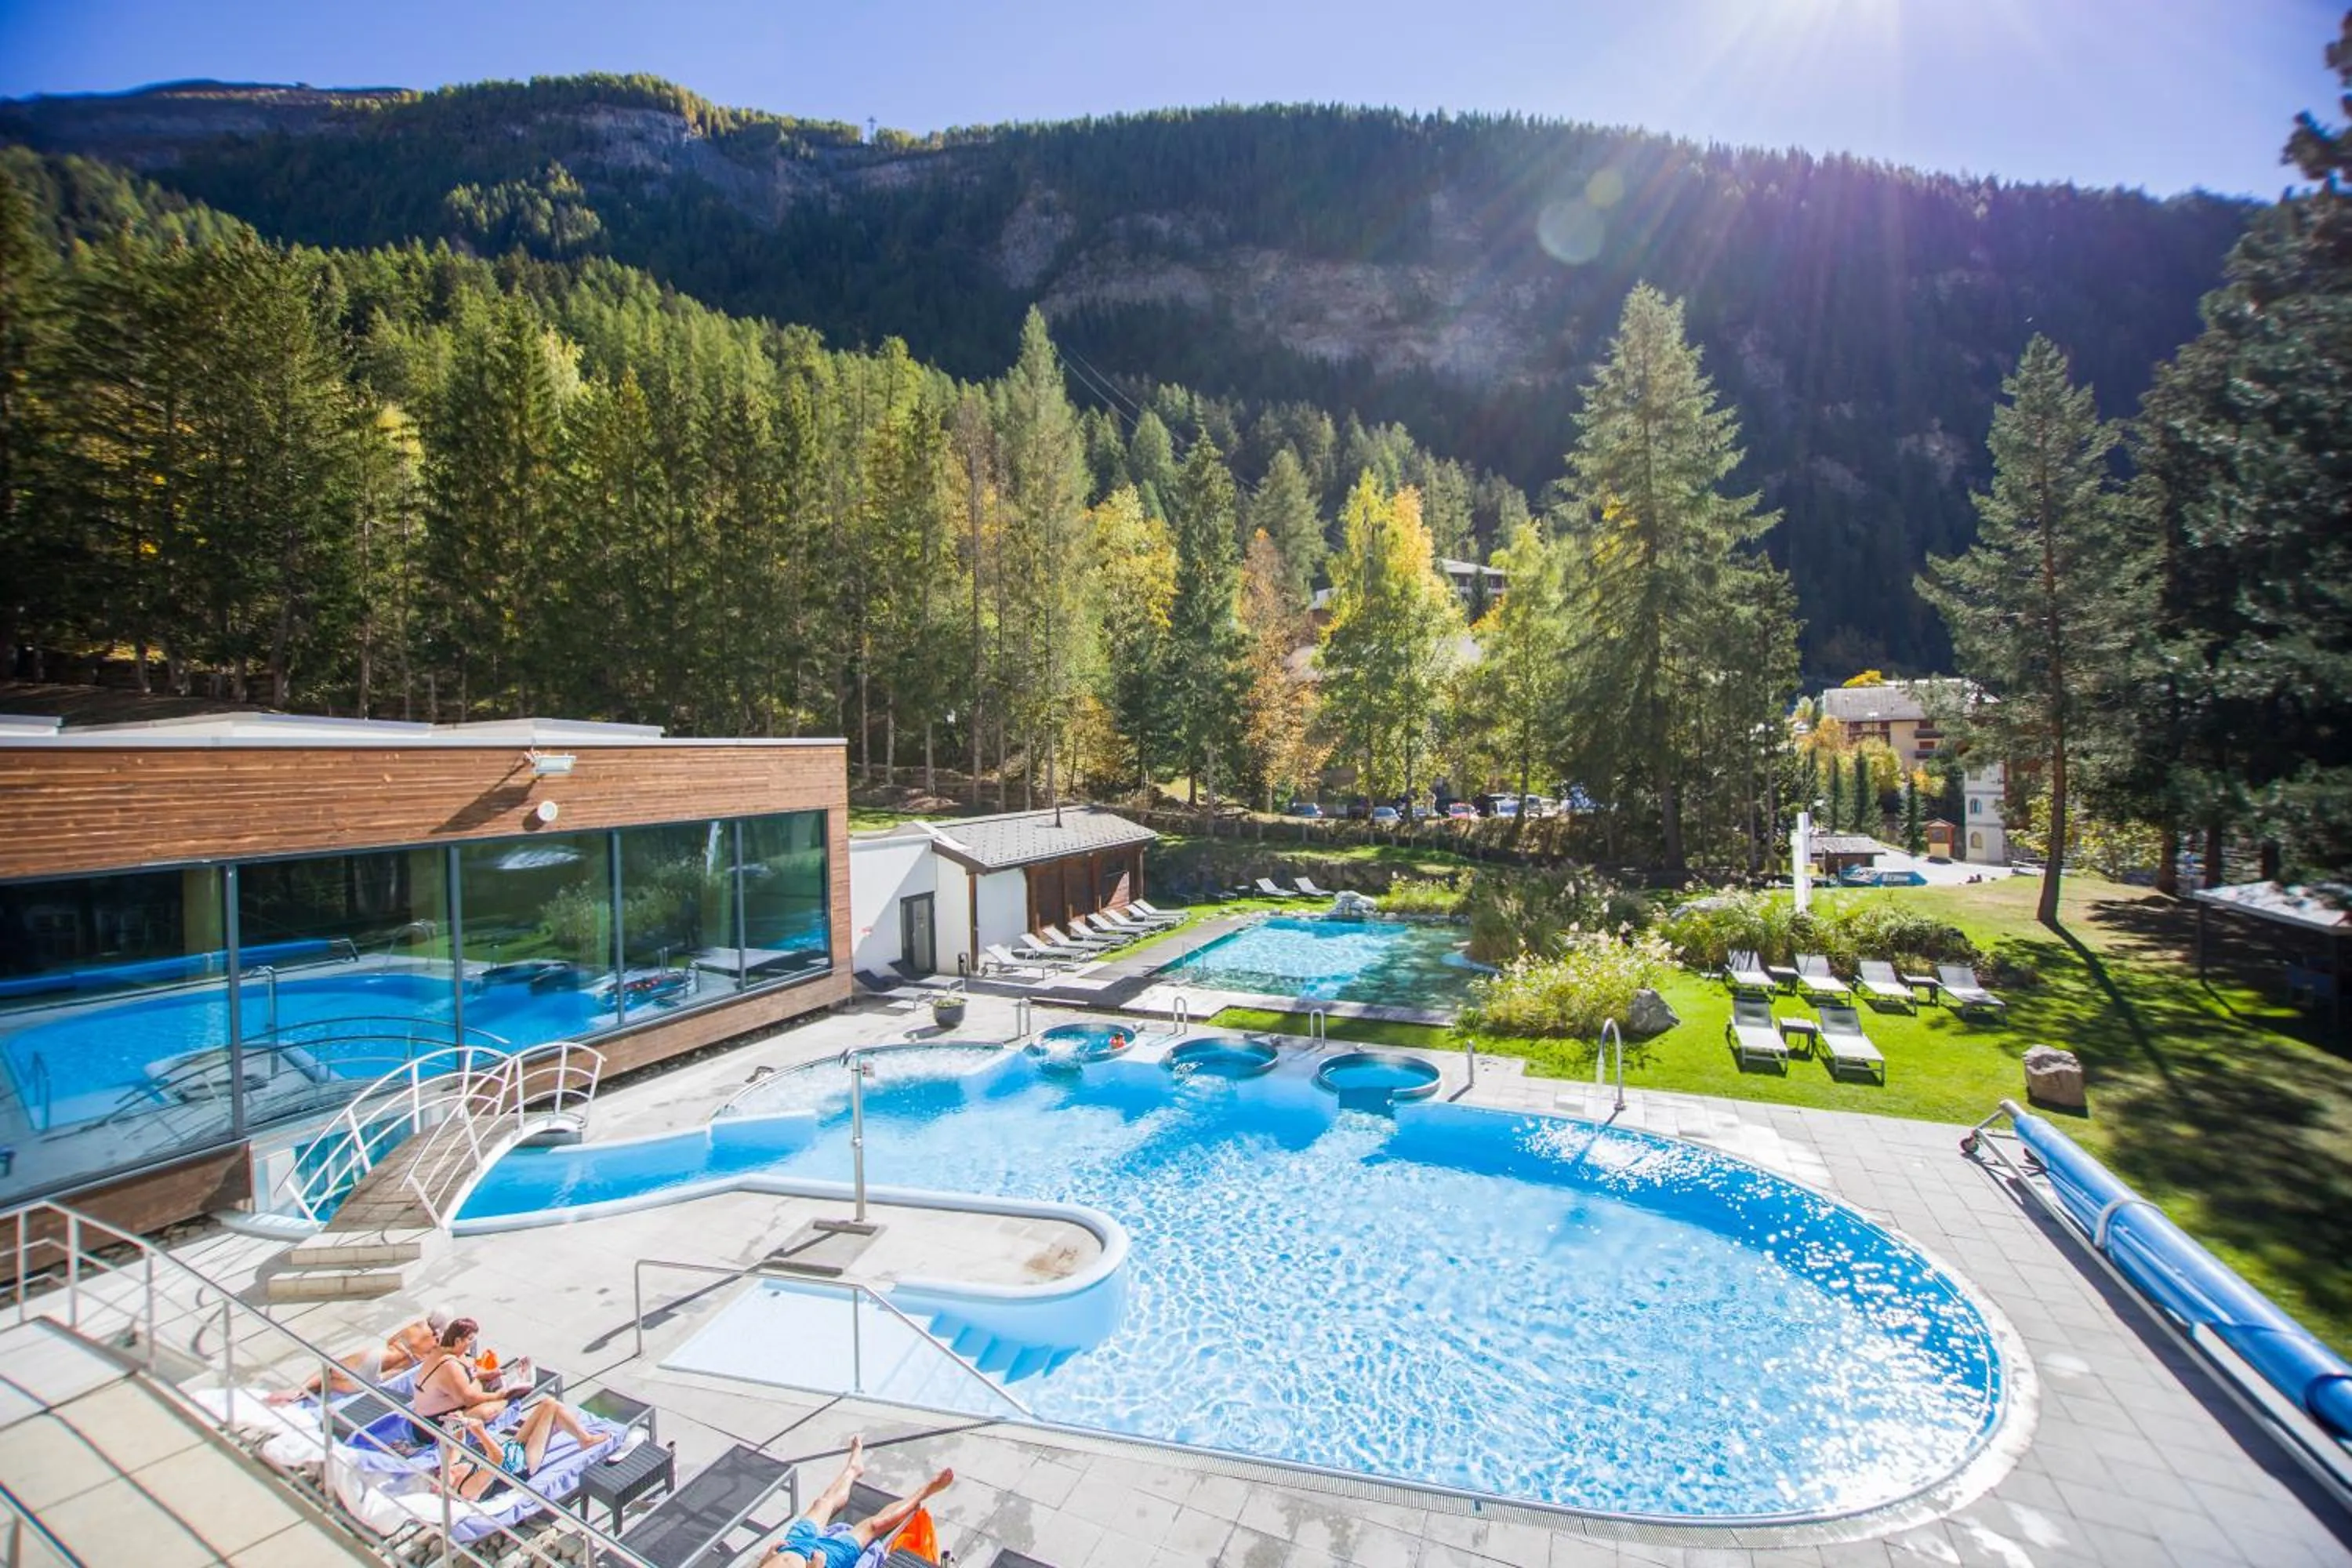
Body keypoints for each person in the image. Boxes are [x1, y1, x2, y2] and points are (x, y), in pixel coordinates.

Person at [771, 1435, 953, 1568]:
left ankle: (853, 1469)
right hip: (826, 1560)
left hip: (791, 1547)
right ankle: (926, 1491)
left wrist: (766, 1560)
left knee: (822, 1503)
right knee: (873, 1526)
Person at [271, 1304, 456, 1402]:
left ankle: (297, 1392)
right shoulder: (435, 1344)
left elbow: (390, 1340)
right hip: (385, 1375)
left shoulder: (419, 1326)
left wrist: (401, 1347)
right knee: (335, 1383)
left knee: (329, 1370)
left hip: (379, 1356)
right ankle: (301, 1396)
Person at [436, 1400, 613, 1502]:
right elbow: (497, 1458)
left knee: (547, 1403)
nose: (441, 1474)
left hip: (512, 1446)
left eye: (437, 1475)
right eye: (439, 1482)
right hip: (524, 1464)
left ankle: (562, 1425)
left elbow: (457, 1442)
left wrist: (458, 1423)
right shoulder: (467, 1489)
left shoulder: (450, 1468)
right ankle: (585, 1440)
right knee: (554, 1409)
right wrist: (480, 1432)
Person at [412, 1316, 526, 1424]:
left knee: (492, 1382)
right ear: (458, 1341)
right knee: (488, 1412)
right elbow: (468, 1399)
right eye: (470, 1339)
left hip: (447, 1406)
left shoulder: (447, 1351)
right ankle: (509, 1399)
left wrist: (488, 1374)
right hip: (434, 1421)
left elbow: (470, 1375)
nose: (472, 1343)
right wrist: (498, 1396)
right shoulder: (449, 1365)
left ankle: (506, 1395)